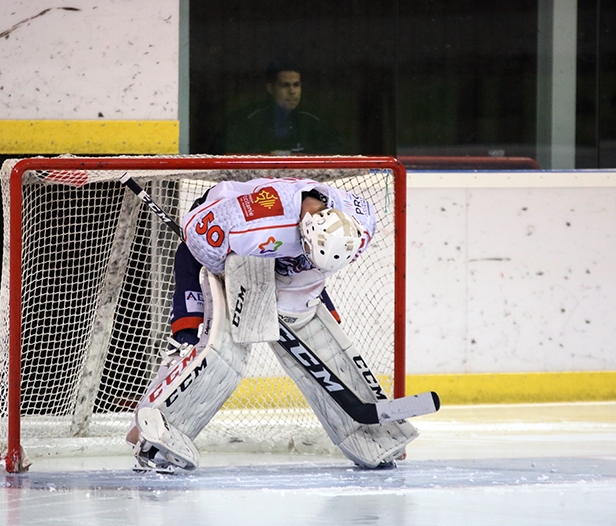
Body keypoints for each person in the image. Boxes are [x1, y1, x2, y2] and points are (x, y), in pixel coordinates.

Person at [126, 177, 418, 472]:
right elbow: (196, 238)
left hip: (284, 257)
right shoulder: (252, 222)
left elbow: (321, 263)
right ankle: (151, 431)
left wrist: (293, 284)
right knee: (211, 345)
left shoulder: (360, 220)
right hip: (220, 247)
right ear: (304, 231)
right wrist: (235, 283)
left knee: (316, 333)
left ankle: (373, 434)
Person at [210, 59, 347, 155]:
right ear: (270, 88)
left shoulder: (313, 120)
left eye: (296, 85)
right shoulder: (246, 120)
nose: (292, 91)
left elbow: (340, 152)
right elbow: (225, 152)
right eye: (285, 85)